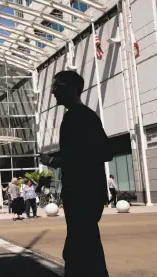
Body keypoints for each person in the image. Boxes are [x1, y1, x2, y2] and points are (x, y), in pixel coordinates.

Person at [40, 70, 112, 277]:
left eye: (57, 86)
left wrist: (54, 160)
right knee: (83, 249)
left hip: (82, 195)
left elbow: (100, 152)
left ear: (71, 89)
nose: (53, 91)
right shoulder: (82, 116)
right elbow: (91, 152)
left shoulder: (78, 117)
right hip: (84, 195)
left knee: (81, 251)